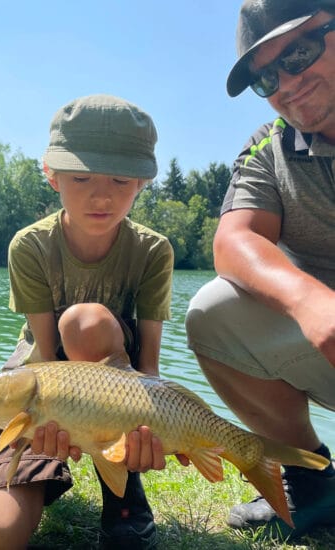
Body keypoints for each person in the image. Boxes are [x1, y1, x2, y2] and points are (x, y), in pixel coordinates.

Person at [0, 94, 175, 549]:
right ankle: (42, 467)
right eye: (81, 178)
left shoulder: (153, 250)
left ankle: (124, 500)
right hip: (42, 385)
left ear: (141, 183)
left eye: (120, 180)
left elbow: (151, 371)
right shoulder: (29, 246)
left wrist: (147, 435)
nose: (101, 194)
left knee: (85, 323)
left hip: (120, 387)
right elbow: (43, 358)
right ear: (52, 175)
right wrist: (41, 424)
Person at [185, 0, 335, 540]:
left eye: (299, 52)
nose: (287, 83)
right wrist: (310, 302)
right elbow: (235, 238)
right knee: (212, 313)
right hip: (327, 337)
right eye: (267, 76)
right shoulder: (267, 145)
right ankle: (312, 482)